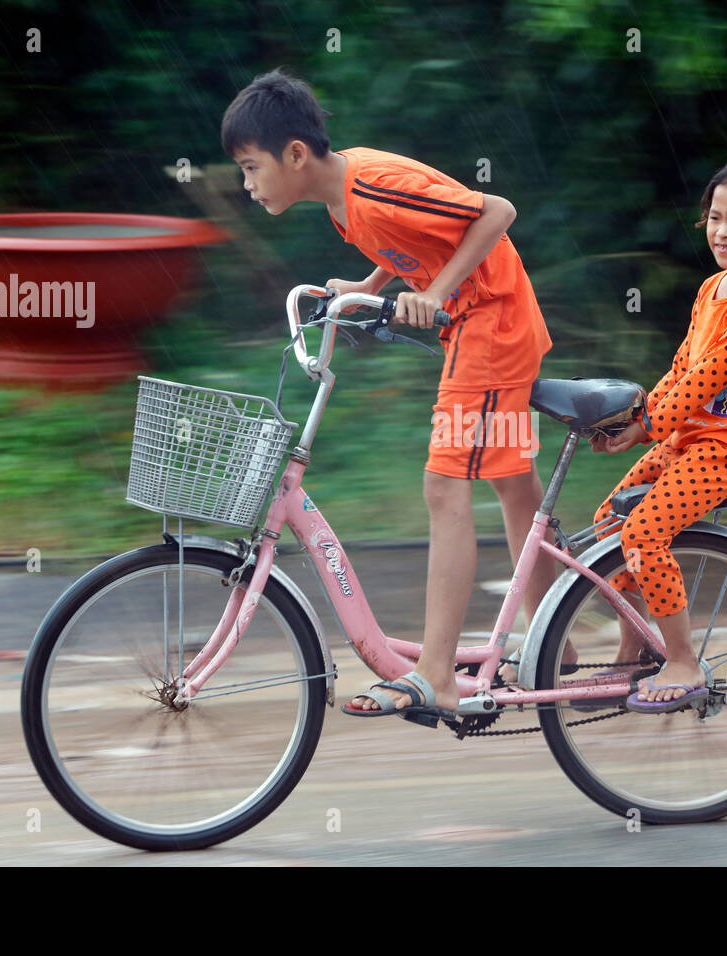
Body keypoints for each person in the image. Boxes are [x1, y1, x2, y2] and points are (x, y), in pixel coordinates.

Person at [220, 69, 557, 720]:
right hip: (484, 326)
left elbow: (496, 212)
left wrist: (434, 293)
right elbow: (410, 241)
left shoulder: (372, 186)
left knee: (443, 486)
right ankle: (553, 639)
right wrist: (374, 282)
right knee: (514, 486)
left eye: (251, 167)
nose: (247, 184)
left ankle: (437, 675)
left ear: (295, 154)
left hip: (492, 328)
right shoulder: (345, 200)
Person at [590, 155, 727, 713]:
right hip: (685, 438)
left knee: (643, 536)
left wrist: (647, 424)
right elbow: (683, 367)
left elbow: (710, 380)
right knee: (607, 524)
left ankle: (682, 659)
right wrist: (639, 422)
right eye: (714, 218)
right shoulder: (713, 288)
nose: (722, 231)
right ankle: (636, 648)